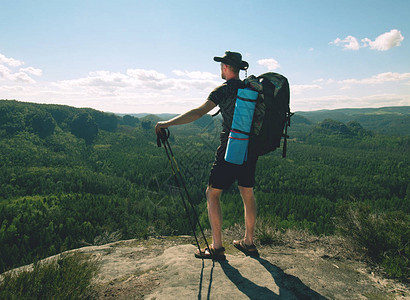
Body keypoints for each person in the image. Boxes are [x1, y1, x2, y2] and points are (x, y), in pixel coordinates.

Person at [155, 51, 259, 260]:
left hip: (230, 148)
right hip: (250, 147)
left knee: (212, 193)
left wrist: (166, 123)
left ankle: (217, 246)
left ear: (225, 67)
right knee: (247, 193)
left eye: (221, 65)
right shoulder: (251, 90)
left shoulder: (223, 90)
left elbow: (197, 113)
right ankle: (249, 242)